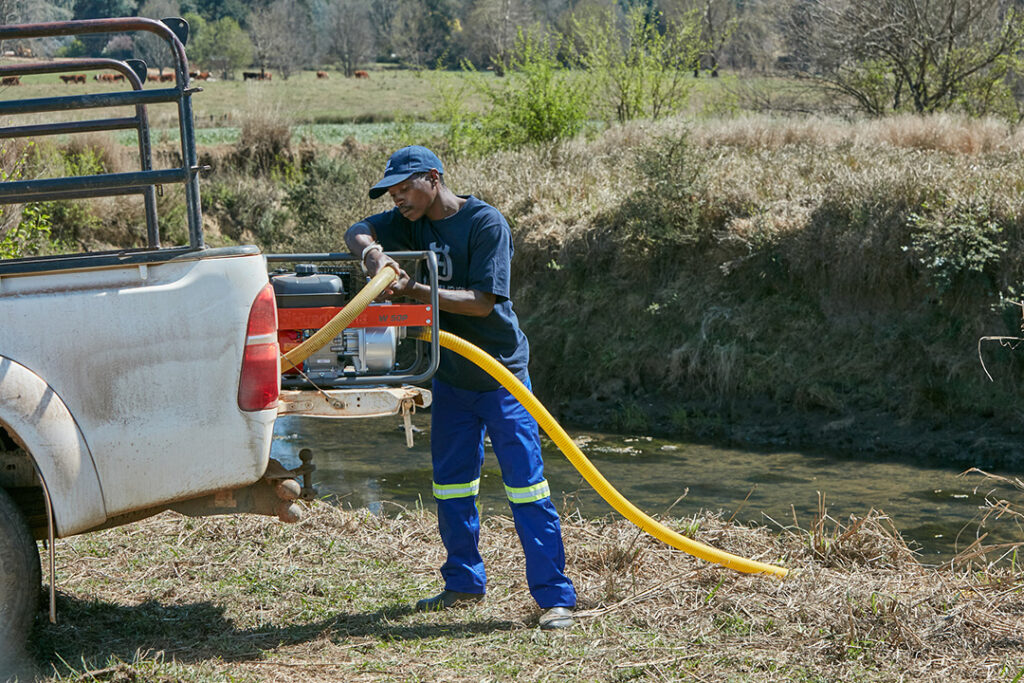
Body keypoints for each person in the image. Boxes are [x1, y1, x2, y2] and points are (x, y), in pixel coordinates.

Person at [344, 145, 577, 630]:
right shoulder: (408, 220)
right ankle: (464, 585)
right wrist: (373, 256)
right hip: (449, 376)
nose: (398, 199)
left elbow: (480, 302)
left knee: (527, 488)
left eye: (405, 188)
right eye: (392, 191)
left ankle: (555, 599)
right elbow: (356, 229)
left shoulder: (485, 223)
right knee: (451, 487)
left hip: (500, 375)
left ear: (434, 178)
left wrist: (411, 290)